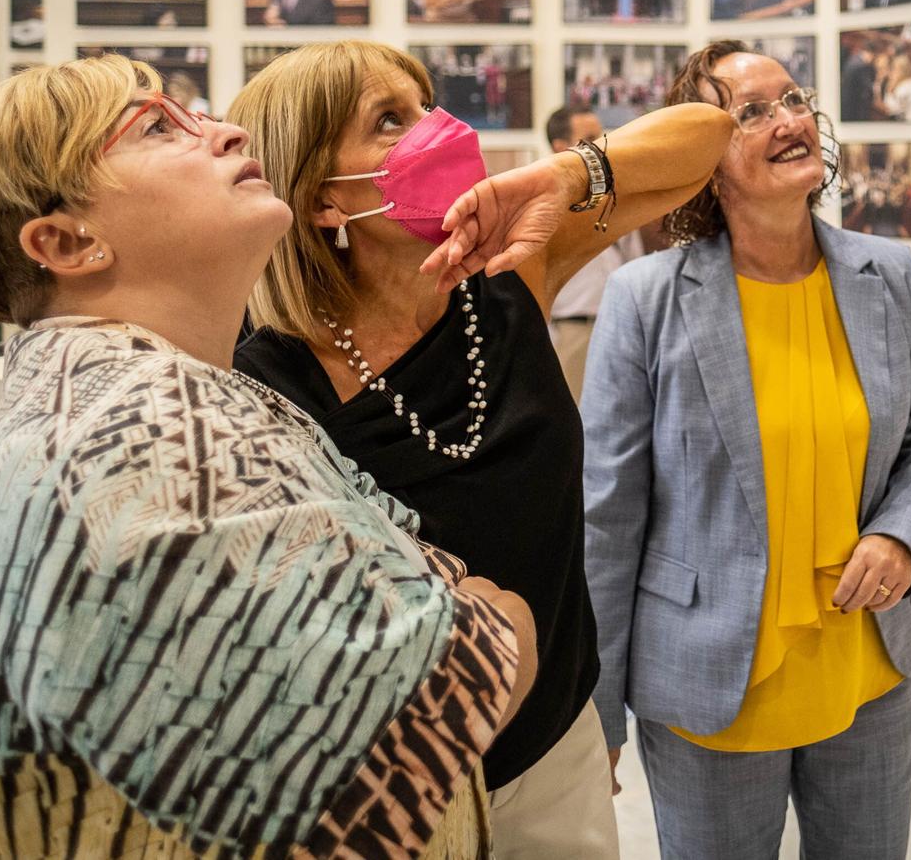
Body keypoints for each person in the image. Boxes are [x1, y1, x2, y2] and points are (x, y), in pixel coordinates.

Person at [0, 55, 533, 855]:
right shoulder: (142, 432)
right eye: (159, 127)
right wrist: (495, 609)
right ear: (65, 240)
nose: (227, 130)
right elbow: (461, 678)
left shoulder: (166, 392)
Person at [230, 42, 732, 858]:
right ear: (323, 198)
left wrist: (566, 177)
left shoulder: (509, 272)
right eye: (390, 120)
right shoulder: (263, 370)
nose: (439, 127)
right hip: (385, 783)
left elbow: (705, 136)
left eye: (425, 101)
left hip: (551, 752)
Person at [585, 42, 911, 858]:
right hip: (710, 683)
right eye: (750, 112)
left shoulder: (888, 275)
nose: (788, 120)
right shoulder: (644, 301)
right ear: (705, 162)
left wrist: (902, 533)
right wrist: (599, 712)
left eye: (793, 99)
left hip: (870, 671)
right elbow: (606, 520)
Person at [544, 103, 646, 399]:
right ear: (560, 147)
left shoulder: (614, 198)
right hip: (571, 332)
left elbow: (634, 266)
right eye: (589, 138)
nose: (600, 146)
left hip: (621, 330)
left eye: (601, 136)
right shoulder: (543, 208)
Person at [877, 52, 911, 123]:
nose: (890, 73)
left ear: (902, 71)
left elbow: (890, 109)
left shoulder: (906, 86)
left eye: (893, 70)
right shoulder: (909, 82)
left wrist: (887, 87)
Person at [840, 38, 876, 123]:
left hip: (846, 102)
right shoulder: (861, 66)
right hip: (855, 106)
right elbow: (867, 87)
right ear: (870, 53)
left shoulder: (852, 59)